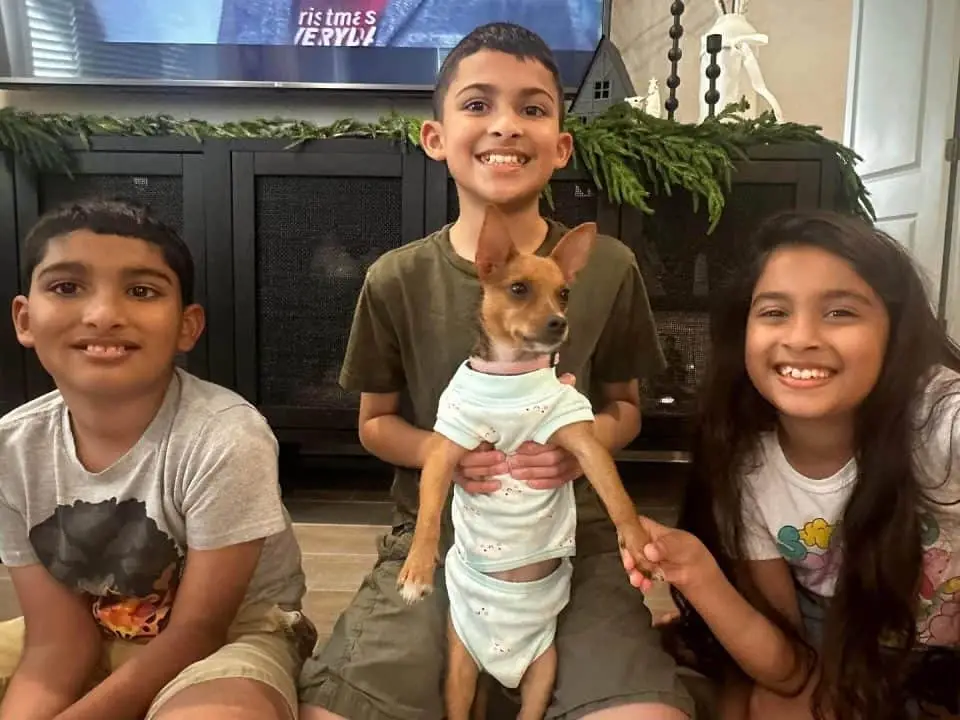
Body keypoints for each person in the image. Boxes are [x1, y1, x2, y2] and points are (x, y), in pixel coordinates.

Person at [298, 21, 695, 720]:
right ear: (435, 137)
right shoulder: (397, 277)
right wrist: (446, 454)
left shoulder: (608, 267)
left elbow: (626, 409)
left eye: (533, 108)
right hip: (445, 535)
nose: (506, 125)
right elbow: (375, 424)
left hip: (575, 541)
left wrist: (580, 446)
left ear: (562, 145)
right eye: (478, 104)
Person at [621, 210, 960, 719]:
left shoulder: (938, 415)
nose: (800, 338)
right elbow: (788, 667)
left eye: (840, 312)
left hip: (944, 665)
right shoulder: (748, 471)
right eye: (775, 312)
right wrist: (694, 570)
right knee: (765, 703)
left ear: (893, 331)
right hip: (840, 649)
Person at [0, 199, 315, 720]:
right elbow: (57, 640)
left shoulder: (225, 436)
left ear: (187, 326)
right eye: (67, 287)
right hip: (96, 625)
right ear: (25, 319)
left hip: (231, 637)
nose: (103, 315)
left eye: (141, 291)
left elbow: (199, 631)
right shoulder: (12, 449)